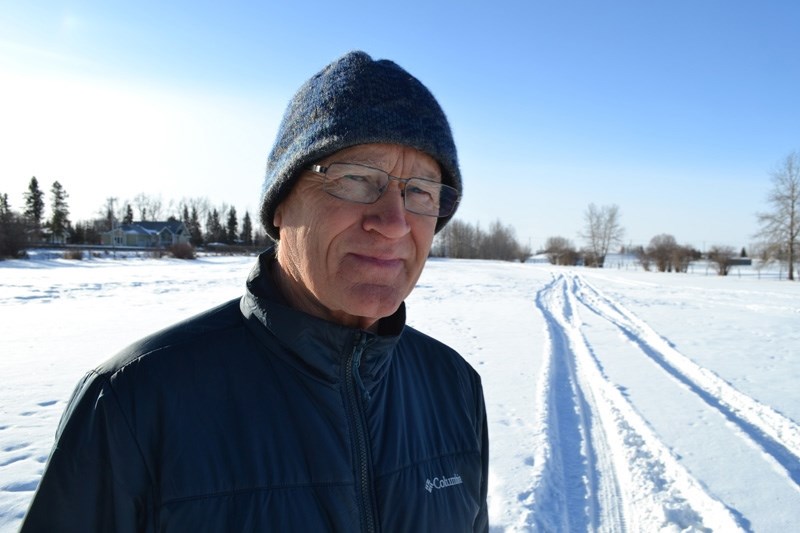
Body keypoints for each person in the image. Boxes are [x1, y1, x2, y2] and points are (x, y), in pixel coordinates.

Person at [21, 50, 489, 532]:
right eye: (355, 178)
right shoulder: (137, 401)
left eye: (421, 193)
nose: (393, 223)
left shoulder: (453, 386)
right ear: (281, 206)